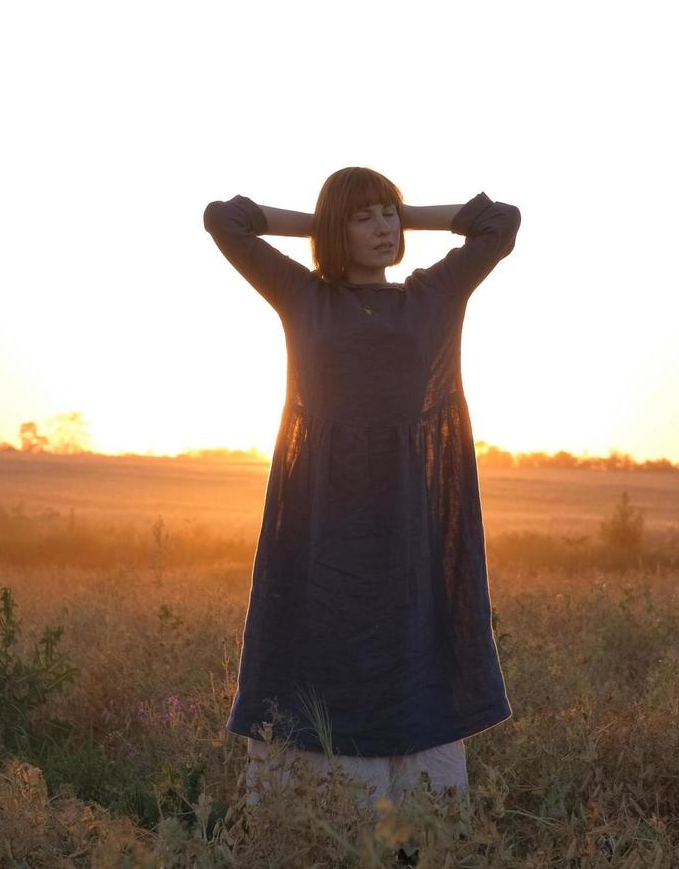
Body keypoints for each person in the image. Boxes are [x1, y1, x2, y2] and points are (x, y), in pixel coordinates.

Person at [202, 166, 522, 826]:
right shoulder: (303, 296)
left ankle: (416, 820)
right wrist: (319, 225)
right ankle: (320, 818)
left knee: (413, 637)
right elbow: (222, 219)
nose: (382, 228)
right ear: (333, 231)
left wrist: (407, 215)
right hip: (321, 514)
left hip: (412, 513)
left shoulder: (431, 296)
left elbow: (500, 221)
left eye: (387, 214)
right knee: (320, 637)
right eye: (362, 217)